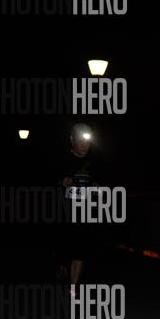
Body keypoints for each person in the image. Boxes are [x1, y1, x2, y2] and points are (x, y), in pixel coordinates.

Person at [57, 123, 98, 291]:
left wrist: (97, 187)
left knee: (80, 250)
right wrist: (61, 182)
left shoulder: (95, 162)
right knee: (65, 250)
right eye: (80, 141)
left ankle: (73, 289)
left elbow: (102, 181)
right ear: (72, 140)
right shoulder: (61, 159)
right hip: (64, 212)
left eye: (87, 141)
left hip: (85, 213)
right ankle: (62, 268)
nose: (84, 145)